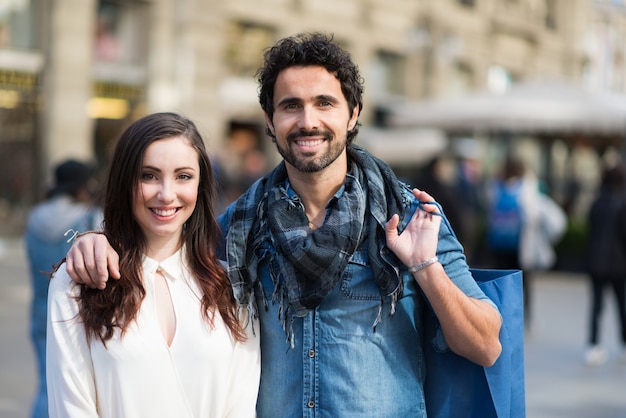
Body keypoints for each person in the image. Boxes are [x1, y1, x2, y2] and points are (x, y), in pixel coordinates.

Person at [64, 33, 501, 416]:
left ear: (352, 115)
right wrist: (93, 238)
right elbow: (156, 243)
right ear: (270, 121)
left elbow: (485, 345)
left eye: (324, 103)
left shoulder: (407, 217)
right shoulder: (234, 229)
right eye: (291, 106)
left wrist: (426, 268)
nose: (308, 121)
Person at [46, 112, 260, 417]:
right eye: (149, 175)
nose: (166, 194)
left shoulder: (232, 287)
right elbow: (71, 408)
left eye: (183, 176)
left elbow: (240, 406)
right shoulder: (77, 283)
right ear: (125, 182)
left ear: (200, 186)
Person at [24, 159, 102, 418]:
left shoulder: (34, 217)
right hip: (78, 312)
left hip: (39, 307)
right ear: (81, 186)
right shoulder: (89, 217)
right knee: (76, 390)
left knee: (46, 385)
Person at [486, 156, 565, 330]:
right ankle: (526, 318)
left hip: (499, 244)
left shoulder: (495, 186)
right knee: (524, 283)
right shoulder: (526, 187)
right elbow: (533, 214)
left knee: (500, 282)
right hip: (521, 245)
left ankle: (500, 314)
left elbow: (488, 207)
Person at [584, 162, 626, 366]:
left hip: (596, 263)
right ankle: (623, 344)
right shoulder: (622, 202)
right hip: (619, 264)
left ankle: (592, 345)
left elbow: (589, 230)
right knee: (622, 305)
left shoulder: (597, 202)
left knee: (596, 306)